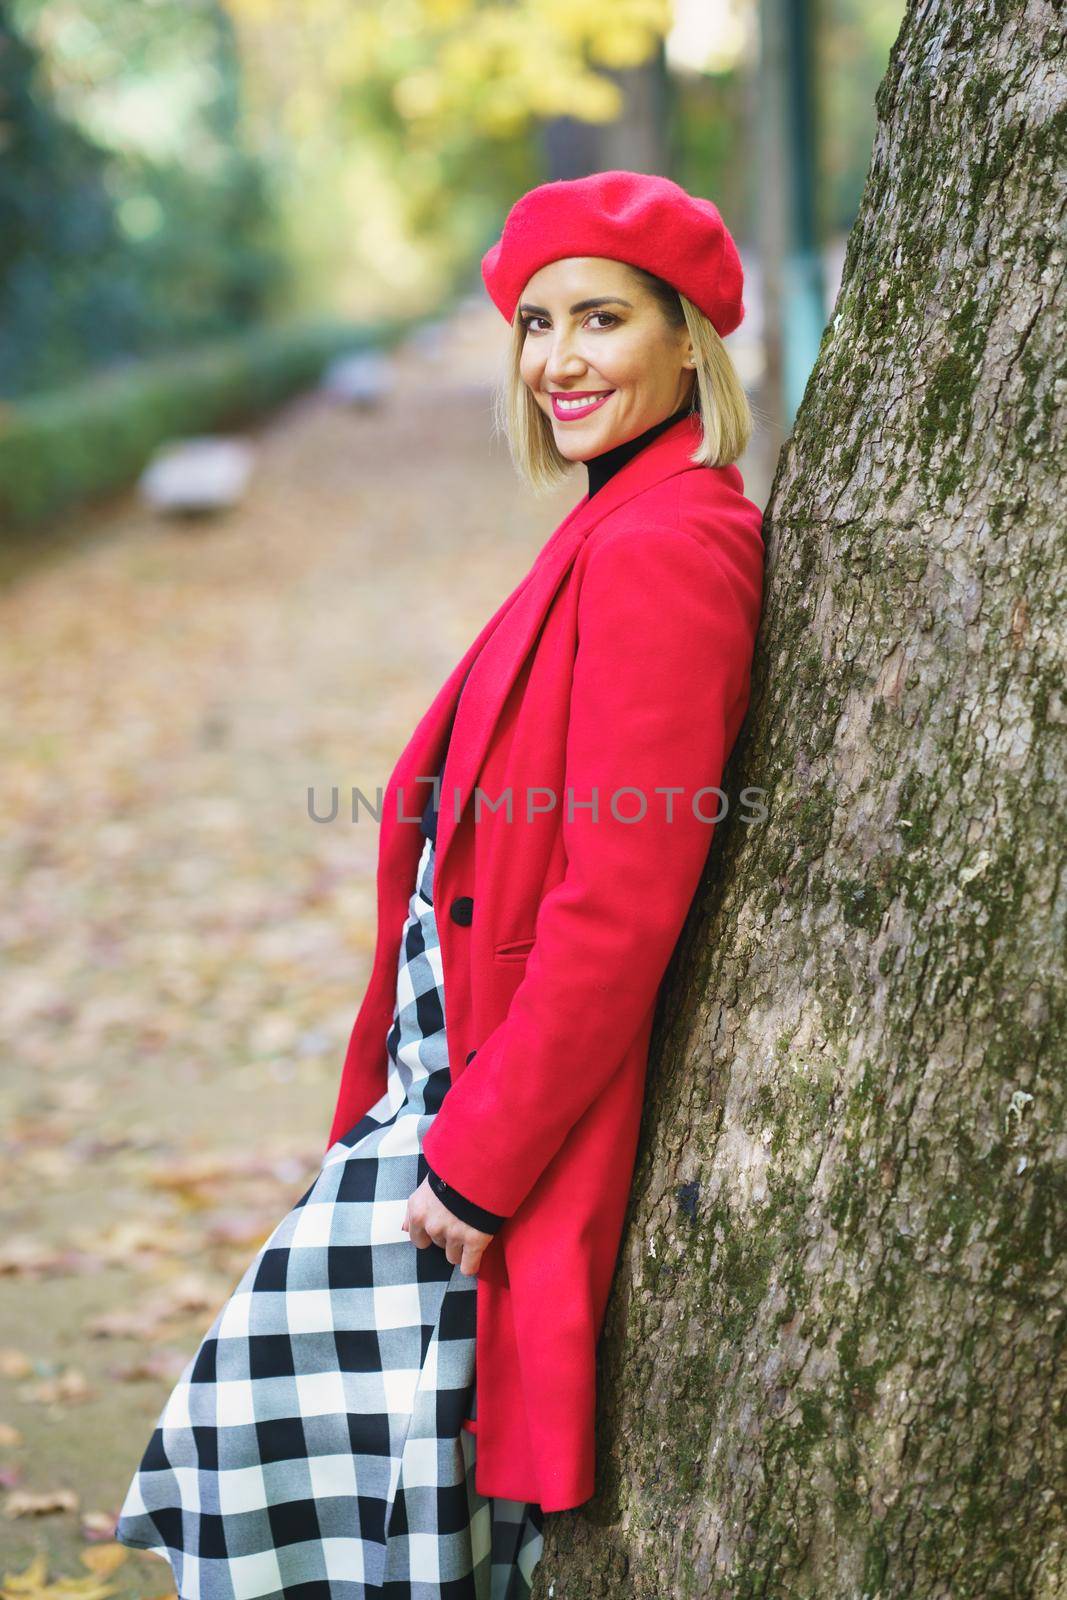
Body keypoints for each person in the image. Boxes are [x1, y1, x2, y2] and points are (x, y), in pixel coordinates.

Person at [113, 169, 765, 1599]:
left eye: (601, 320)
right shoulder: (610, 523)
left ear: (685, 341)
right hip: (439, 1104)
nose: (558, 360)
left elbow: (623, 899)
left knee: (284, 1476)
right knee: (325, 1502)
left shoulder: (669, 546)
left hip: (478, 1141)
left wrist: (479, 1159)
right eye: (535, 325)